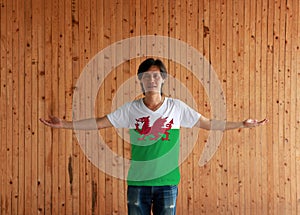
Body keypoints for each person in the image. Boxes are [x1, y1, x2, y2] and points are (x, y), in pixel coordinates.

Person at [40, 58, 268, 215]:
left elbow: (207, 124)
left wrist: (241, 124)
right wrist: (65, 125)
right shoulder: (130, 110)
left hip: (167, 184)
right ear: (141, 80)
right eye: (147, 76)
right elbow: (100, 123)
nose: (152, 79)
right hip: (138, 183)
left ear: (163, 80)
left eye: (156, 76)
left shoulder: (176, 108)